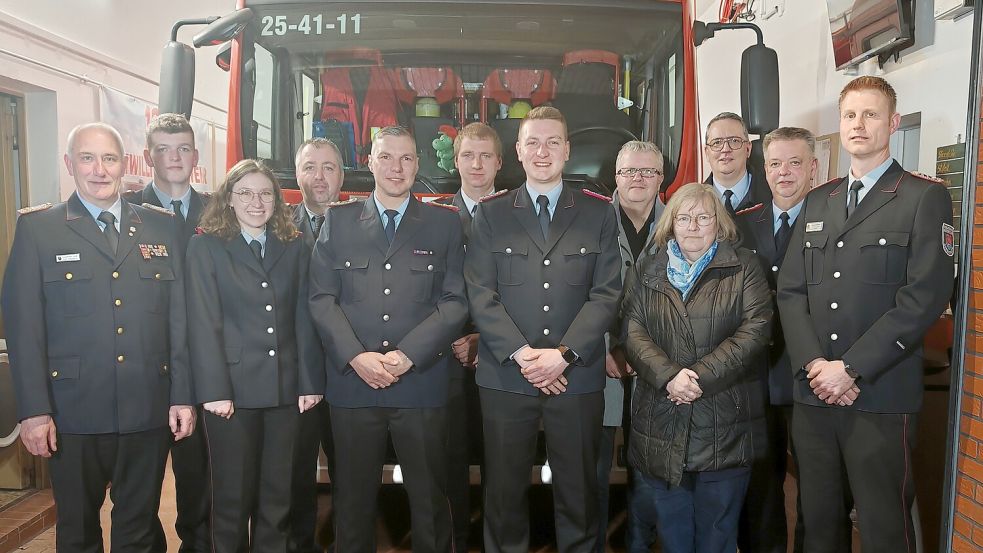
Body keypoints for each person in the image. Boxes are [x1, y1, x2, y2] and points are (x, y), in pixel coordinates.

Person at [777, 76, 954, 553]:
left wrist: (851, 369)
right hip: (815, 397)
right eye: (851, 114)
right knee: (818, 524)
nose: (859, 124)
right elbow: (791, 292)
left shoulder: (922, 198)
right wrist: (816, 366)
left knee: (883, 527)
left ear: (893, 123)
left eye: (871, 114)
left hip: (879, 395)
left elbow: (924, 297)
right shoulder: (819, 199)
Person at [2, 122, 195, 552]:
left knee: (140, 526)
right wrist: (33, 411)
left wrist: (182, 394)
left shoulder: (162, 228)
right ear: (70, 165)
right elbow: (23, 327)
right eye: (87, 158)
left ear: (124, 165)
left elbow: (179, 320)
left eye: (109, 158)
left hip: (147, 408)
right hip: (71, 413)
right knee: (77, 528)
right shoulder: (40, 229)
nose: (99, 170)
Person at [465, 106, 622, 553]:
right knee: (503, 495)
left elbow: (606, 293)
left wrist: (563, 355)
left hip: (574, 378)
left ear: (567, 150)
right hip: (505, 379)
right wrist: (522, 355)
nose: (542, 151)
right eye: (532, 142)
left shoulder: (598, 213)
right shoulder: (491, 215)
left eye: (553, 142)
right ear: (517, 151)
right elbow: (481, 293)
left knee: (578, 495)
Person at [309, 126, 468, 553]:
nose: (396, 168)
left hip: (420, 384)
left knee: (430, 500)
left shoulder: (444, 224)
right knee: (352, 501)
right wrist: (356, 357)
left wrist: (407, 356)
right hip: (354, 386)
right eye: (386, 158)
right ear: (370, 162)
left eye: (406, 158)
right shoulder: (338, 221)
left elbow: (455, 302)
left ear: (418, 164)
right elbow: (321, 299)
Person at [622, 182, 772, 553]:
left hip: (723, 422)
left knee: (716, 536)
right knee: (673, 536)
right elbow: (632, 328)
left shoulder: (744, 267)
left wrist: (696, 378)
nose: (693, 225)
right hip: (662, 417)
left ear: (718, 225)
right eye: (684, 217)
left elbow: (755, 332)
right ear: (671, 224)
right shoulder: (650, 267)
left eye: (703, 217)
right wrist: (669, 376)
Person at [186, 159, 324, 553]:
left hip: (284, 391)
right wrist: (213, 389)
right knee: (231, 500)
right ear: (228, 198)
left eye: (265, 193)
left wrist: (309, 382)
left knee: (277, 500)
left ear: (277, 200)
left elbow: (304, 316)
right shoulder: (206, 246)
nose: (256, 201)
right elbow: (203, 321)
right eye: (245, 192)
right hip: (230, 394)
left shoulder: (294, 244)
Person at [124, 112, 212, 553]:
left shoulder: (219, 212)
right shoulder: (124, 213)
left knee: (201, 487)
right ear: (147, 156)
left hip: (202, 371)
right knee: (139, 491)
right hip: (147, 371)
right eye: (162, 148)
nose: (173, 157)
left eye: (182, 148)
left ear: (195, 156)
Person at [734, 127, 819, 553]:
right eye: (775, 163)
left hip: (811, 372)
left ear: (813, 167)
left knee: (817, 486)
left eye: (794, 162)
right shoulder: (744, 222)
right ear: (763, 169)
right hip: (757, 374)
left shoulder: (833, 216)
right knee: (761, 483)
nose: (784, 172)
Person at [434, 121, 504, 552]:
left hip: (501, 356)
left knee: (503, 461)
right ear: (455, 160)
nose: (476, 164)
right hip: (445, 359)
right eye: (467, 155)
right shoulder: (434, 217)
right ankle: (456, 539)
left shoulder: (520, 214)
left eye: (485, 156)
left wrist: (485, 339)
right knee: (449, 458)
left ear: (499, 162)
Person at [602, 141, 666, 553]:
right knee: (594, 464)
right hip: (599, 360)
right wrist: (604, 347)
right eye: (629, 171)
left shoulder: (682, 222)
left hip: (658, 366)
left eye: (647, 172)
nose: (638, 179)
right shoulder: (590, 220)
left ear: (661, 178)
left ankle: (639, 544)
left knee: (648, 467)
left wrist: (646, 355)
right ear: (616, 176)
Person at [288, 137, 345, 553]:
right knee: (297, 471)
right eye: (311, 167)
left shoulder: (365, 223)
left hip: (349, 371)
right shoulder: (277, 226)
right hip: (299, 375)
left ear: (342, 176)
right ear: (297, 175)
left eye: (328, 167)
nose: (319, 177)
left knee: (350, 472)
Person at [703, 112, 771, 220]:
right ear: (707, 153)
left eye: (734, 141)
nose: (725, 149)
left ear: (748, 149)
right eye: (717, 143)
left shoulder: (773, 196)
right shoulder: (690, 203)